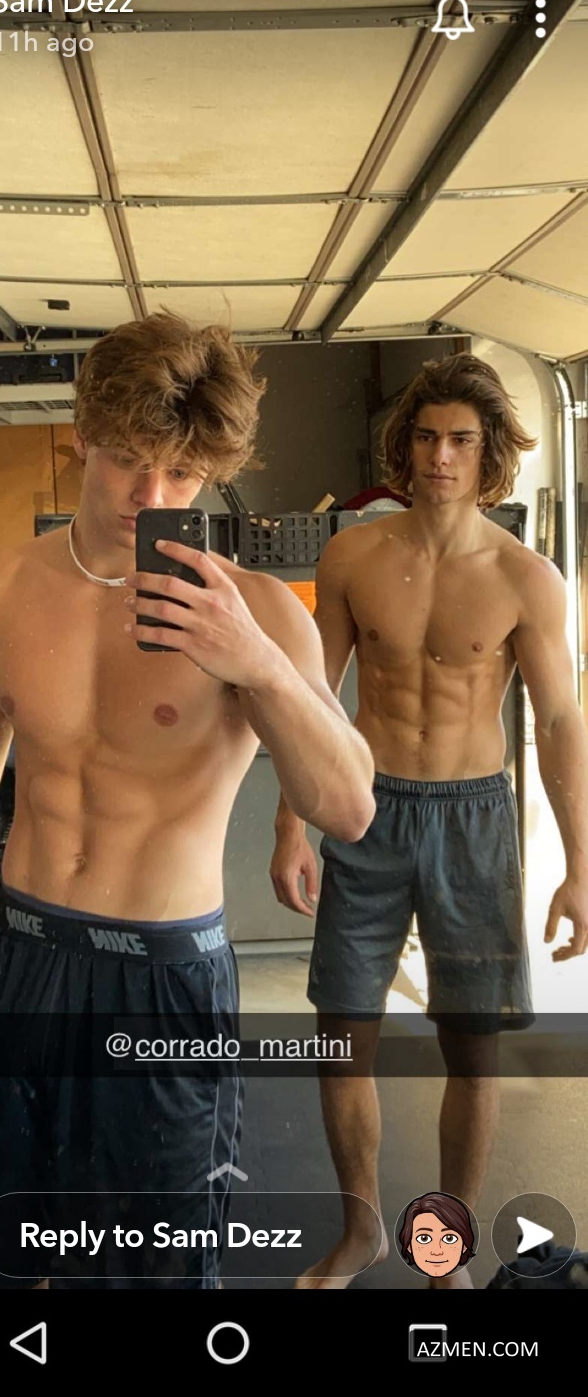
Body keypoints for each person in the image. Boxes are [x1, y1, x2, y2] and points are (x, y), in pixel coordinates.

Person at [0, 312, 376, 1289]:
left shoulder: (261, 613)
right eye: (127, 462)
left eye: (181, 475)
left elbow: (349, 808)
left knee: (155, 1271)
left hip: (164, 979)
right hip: (20, 960)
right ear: (82, 434)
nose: (149, 497)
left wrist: (258, 665)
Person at [270, 352, 588, 1289]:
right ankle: (361, 1230)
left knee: (472, 1052)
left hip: (473, 820)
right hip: (365, 809)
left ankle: (444, 1251)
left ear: (488, 456)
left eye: (460, 440)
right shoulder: (351, 556)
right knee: (342, 1038)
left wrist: (580, 866)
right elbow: (311, 698)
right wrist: (290, 824)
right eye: (425, 437)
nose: (440, 456)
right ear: (403, 447)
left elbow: (560, 722)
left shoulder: (527, 578)